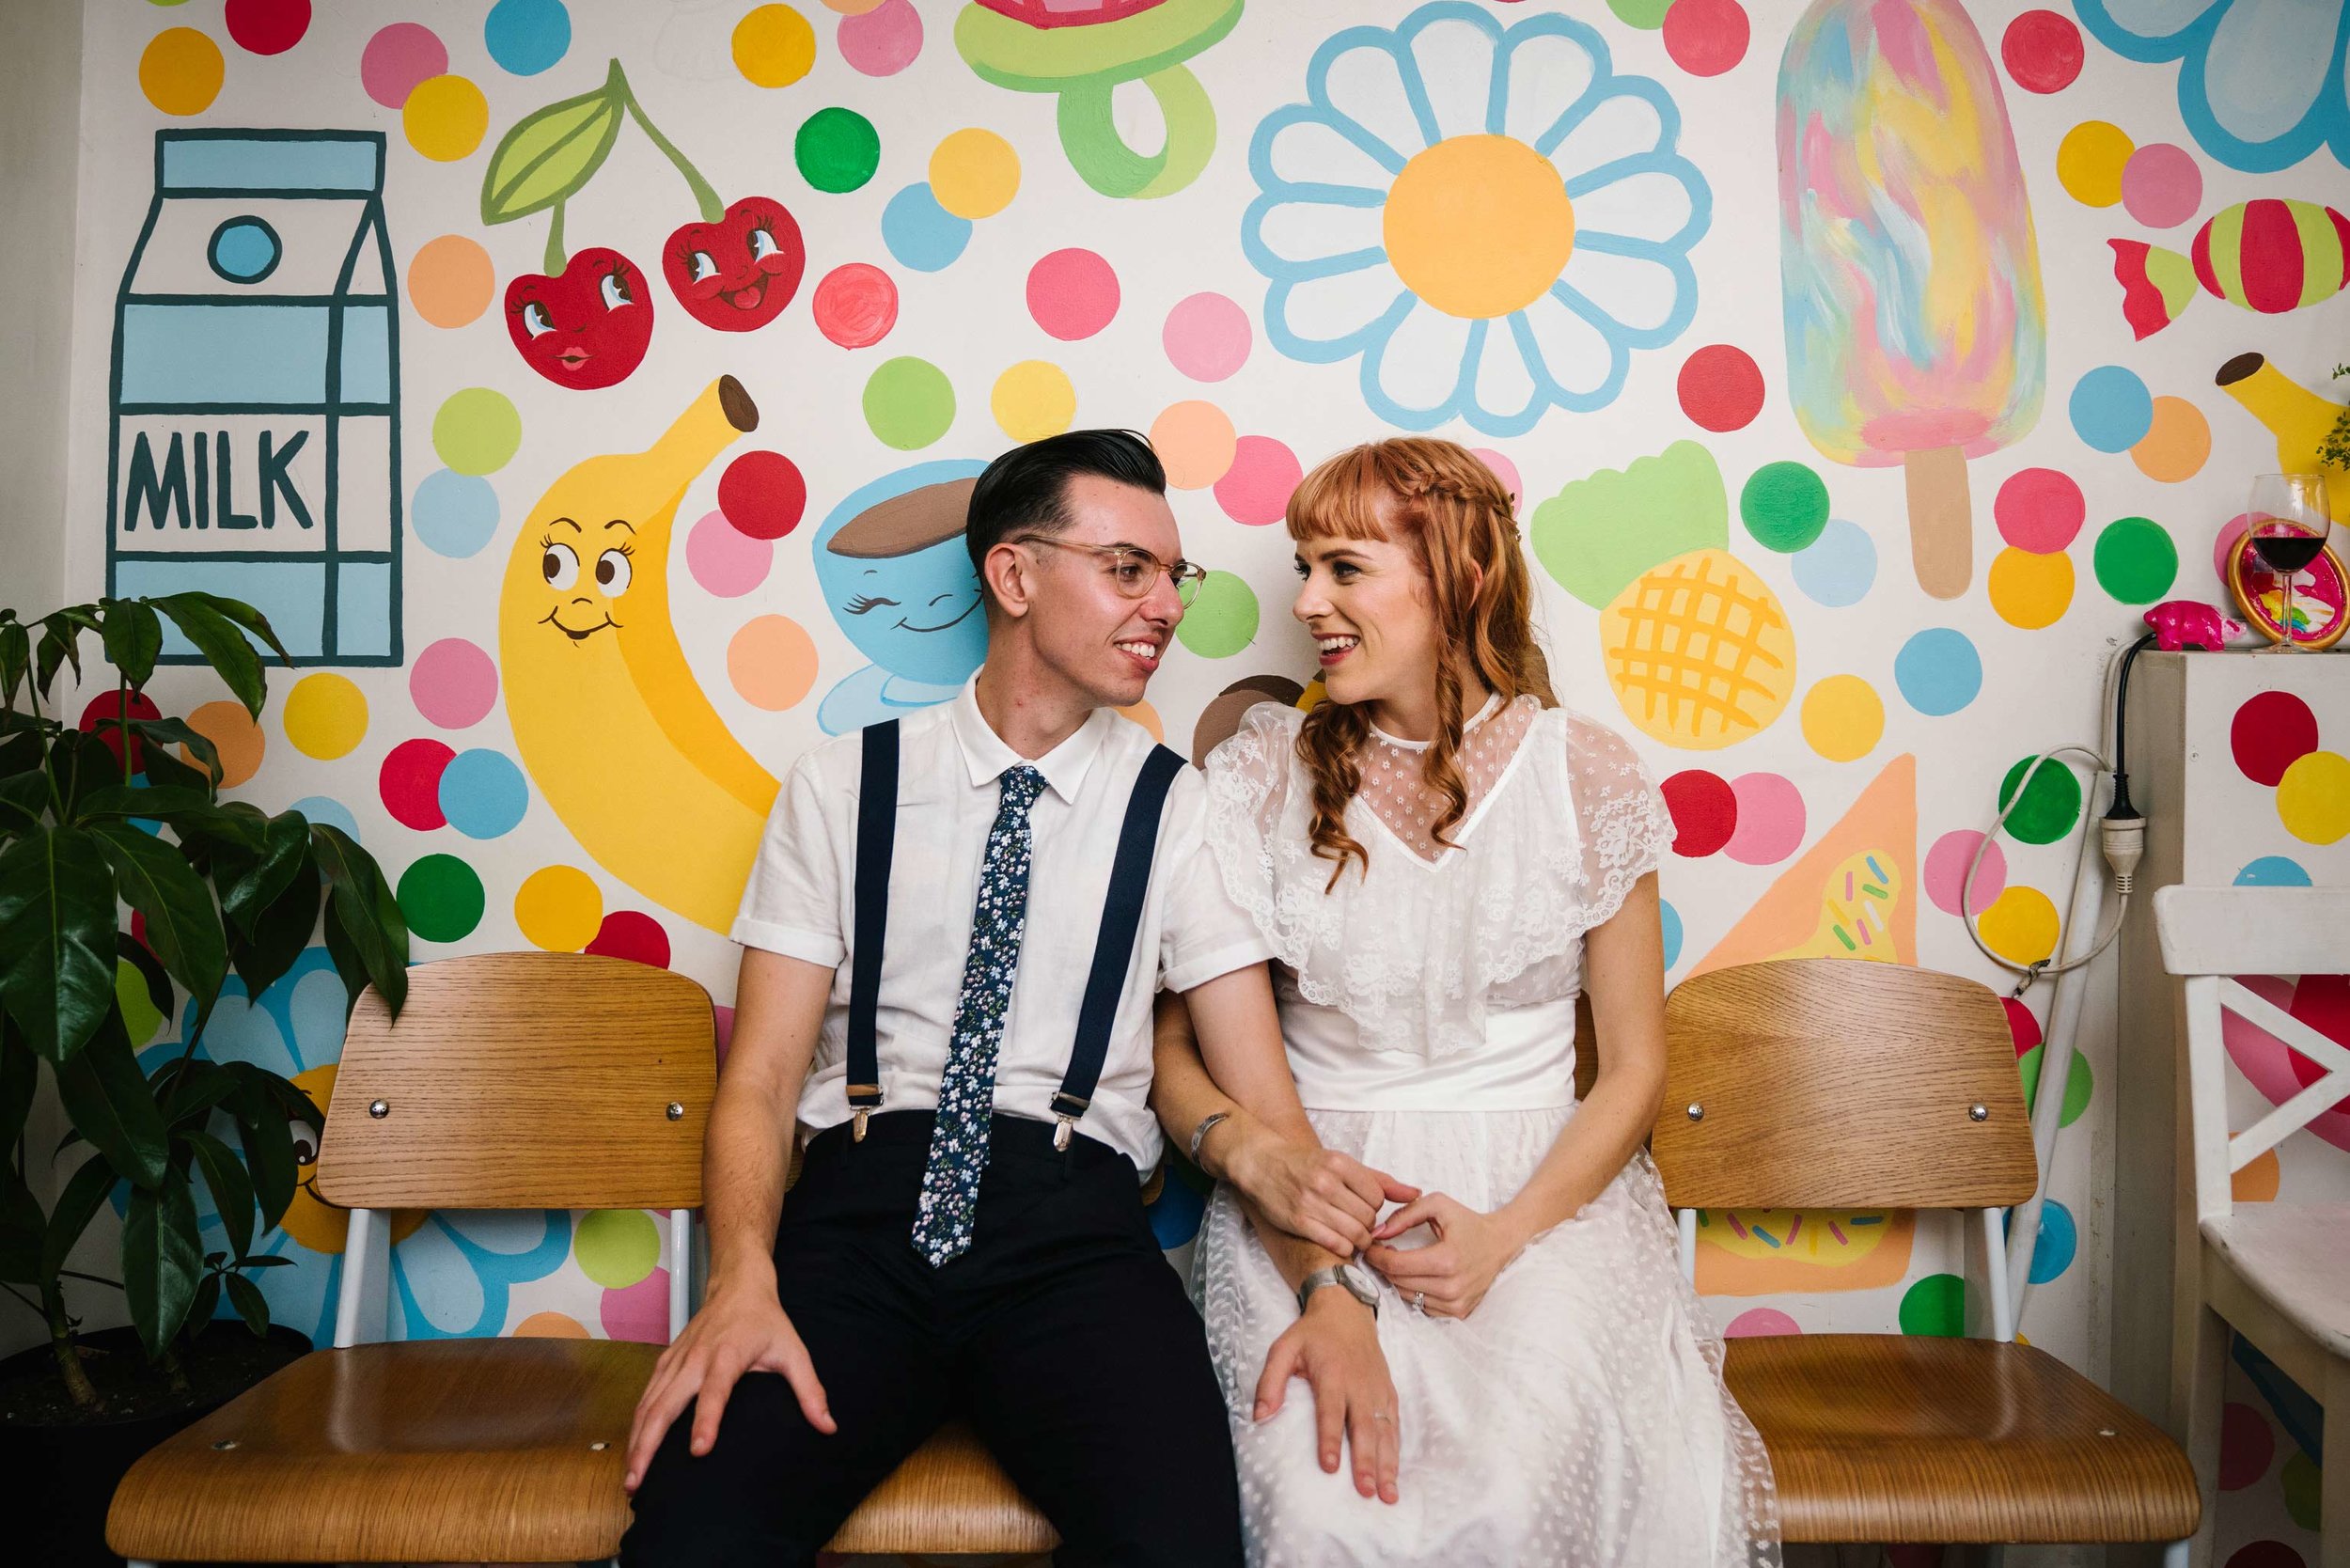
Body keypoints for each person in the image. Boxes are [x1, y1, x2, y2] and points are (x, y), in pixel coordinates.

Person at [618, 430, 1410, 1567]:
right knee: (696, 1536)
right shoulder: (845, 784)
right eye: (1127, 568)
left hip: (1074, 1239)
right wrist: (742, 1280)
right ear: (1015, 574)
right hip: (852, 1233)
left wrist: (1331, 1295)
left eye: (1171, 577)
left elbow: (1261, 1104)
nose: (1165, 607)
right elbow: (757, 1079)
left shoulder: (1179, 810)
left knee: (1181, 1543)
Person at [1153, 437, 1784, 1566]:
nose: (1306, 602)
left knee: (1518, 1487)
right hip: (1312, 1198)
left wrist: (1504, 1235)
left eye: (1343, 568)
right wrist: (1276, 1186)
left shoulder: (1586, 777)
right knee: (1317, 1506)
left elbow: (1633, 1066)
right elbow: (1181, 1050)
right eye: (1304, 567)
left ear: (1456, 575)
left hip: (1544, 1205)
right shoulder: (1252, 783)